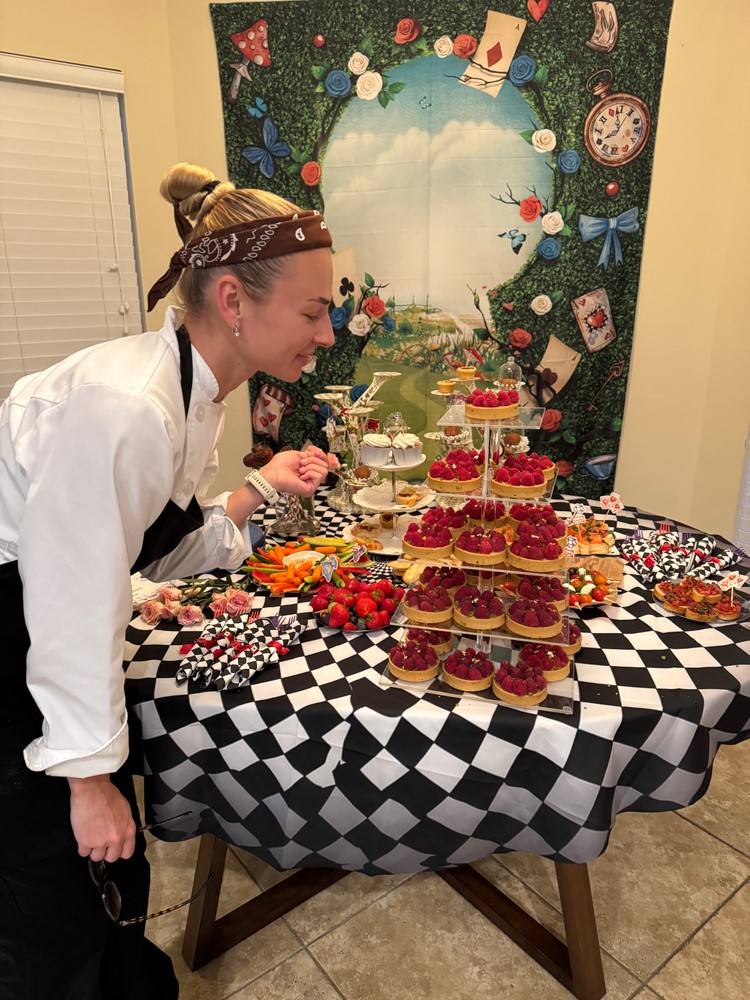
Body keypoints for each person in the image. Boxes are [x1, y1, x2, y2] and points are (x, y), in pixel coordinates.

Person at [0, 161, 336, 999]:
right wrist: (86, 779)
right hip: (19, 623)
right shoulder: (127, 406)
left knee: (107, 869)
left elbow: (147, 547)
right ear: (233, 302)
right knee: (44, 875)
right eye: (314, 311)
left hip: (52, 617)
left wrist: (255, 494)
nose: (327, 334)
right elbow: (71, 598)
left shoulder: (193, 391)